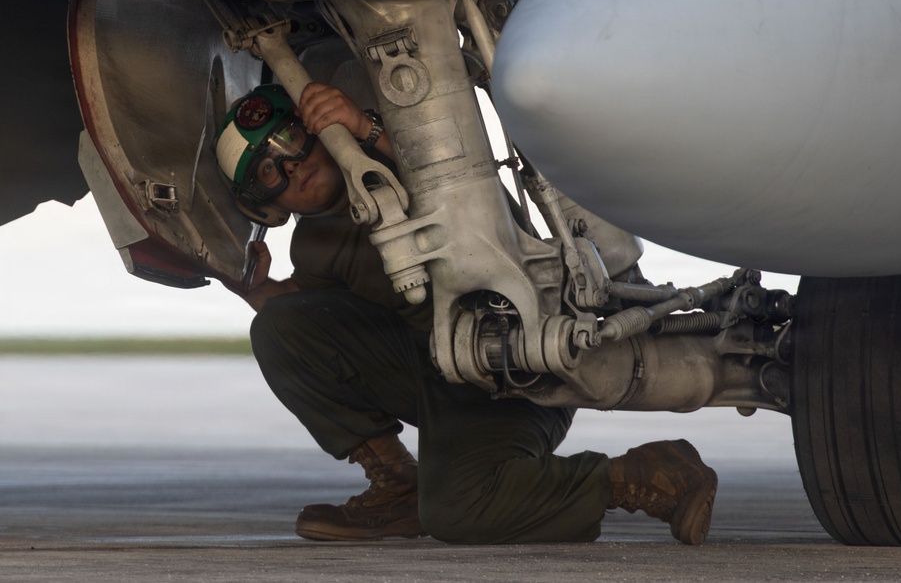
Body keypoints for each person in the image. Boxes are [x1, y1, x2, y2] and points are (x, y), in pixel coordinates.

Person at [213, 81, 719, 545]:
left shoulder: (397, 166)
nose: (291, 166)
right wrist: (253, 292)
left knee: (458, 513)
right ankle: (398, 488)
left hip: (514, 366)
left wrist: (366, 128)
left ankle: (647, 475)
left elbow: (461, 191)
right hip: (436, 374)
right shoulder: (313, 248)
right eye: (268, 170)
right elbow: (313, 328)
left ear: (317, 130)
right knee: (279, 327)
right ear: (265, 201)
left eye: (289, 144)